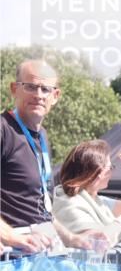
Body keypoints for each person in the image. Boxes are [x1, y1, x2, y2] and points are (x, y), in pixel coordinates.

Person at [1, 59, 107, 254]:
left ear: (55, 95)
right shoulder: (3, 129)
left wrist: (75, 239)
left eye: (45, 89)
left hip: (37, 256)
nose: (38, 95)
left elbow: (41, 211)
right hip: (10, 261)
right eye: (31, 87)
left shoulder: (42, 137)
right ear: (14, 89)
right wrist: (12, 237)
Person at [52, 140, 121, 246]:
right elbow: (96, 243)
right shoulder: (69, 202)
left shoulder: (96, 201)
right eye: (110, 167)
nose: (112, 172)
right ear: (98, 171)